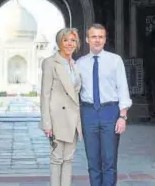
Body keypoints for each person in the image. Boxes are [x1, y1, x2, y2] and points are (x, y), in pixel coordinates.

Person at [76, 23, 132, 186]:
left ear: (105, 39)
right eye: (94, 37)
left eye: (101, 37)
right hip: (88, 113)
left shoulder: (115, 61)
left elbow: (123, 88)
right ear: (87, 39)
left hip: (110, 112)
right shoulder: (80, 63)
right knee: (92, 160)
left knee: (109, 160)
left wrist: (122, 116)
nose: (97, 40)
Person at [40, 27, 82, 186]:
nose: (69, 44)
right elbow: (45, 95)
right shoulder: (50, 63)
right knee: (57, 158)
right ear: (59, 42)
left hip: (73, 118)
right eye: (65, 40)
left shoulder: (75, 64)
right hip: (57, 118)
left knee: (69, 158)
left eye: (73, 40)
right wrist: (46, 123)